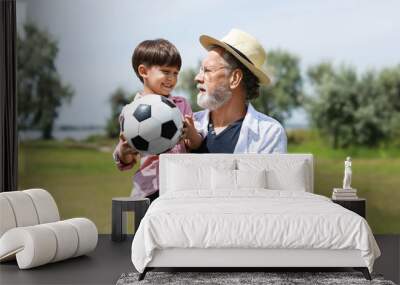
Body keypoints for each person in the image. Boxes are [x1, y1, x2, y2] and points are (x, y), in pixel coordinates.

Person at [113, 39, 202, 202]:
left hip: (182, 185)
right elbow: (126, 161)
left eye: (175, 73)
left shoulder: (181, 105)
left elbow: (195, 145)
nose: (171, 78)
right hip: (150, 188)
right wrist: (124, 153)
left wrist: (192, 134)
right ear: (143, 71)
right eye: (166, 71)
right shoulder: (130, 112)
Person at [190, 29, 287, 153]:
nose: (197, 77)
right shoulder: (188, 125)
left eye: (207, 70)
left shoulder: (269, 133)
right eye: (200, 70)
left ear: (234, 78)